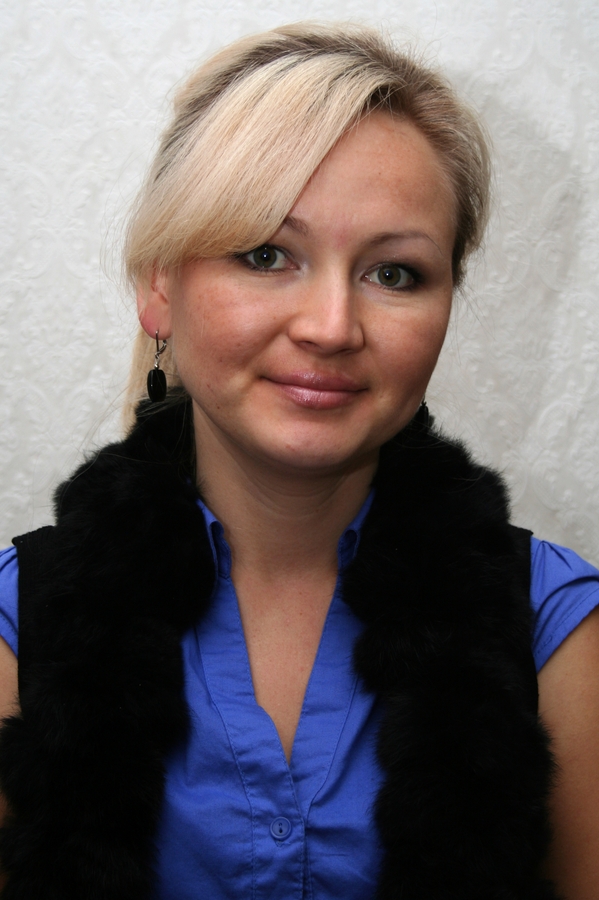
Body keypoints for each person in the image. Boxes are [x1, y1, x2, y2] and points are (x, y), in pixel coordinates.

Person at [0, 21, 597, 900]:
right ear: (159, 285)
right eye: (266, 255)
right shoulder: (21, 621)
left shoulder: (554, 627)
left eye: (393, 274)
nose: (330, 327)